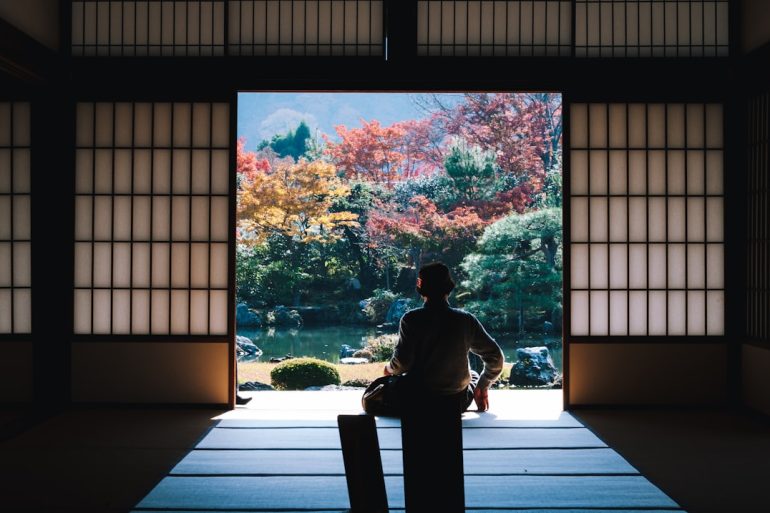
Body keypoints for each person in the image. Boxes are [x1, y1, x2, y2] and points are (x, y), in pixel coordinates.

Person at [383, 262, 504, 412]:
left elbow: (402, 363)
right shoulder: (465, 320)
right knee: (472, 375)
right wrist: (483, 384)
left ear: (420, 286)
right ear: (450, 287)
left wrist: (388, 369)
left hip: (416, 400)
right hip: (455, 402)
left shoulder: (411, 319)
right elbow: (496, 357)